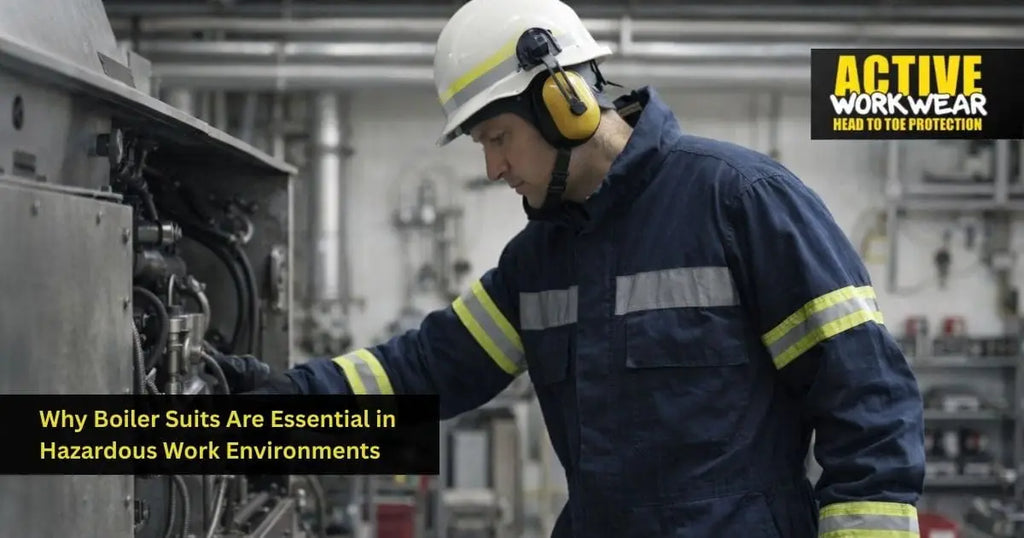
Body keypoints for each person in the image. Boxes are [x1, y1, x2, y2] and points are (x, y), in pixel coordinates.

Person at [217, 0, 926, 536]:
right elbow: (428, 368)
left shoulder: (742, 202)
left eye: (498, 137)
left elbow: (867, 402)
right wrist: (289, 407)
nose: (493, 167)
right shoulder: (540, 260)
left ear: (566, 103)